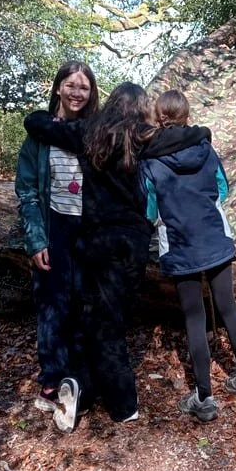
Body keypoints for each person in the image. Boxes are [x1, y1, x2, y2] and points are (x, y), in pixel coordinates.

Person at [23, 82, 211, 427]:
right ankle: (124, 406)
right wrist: (201, 131)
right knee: (110, 324)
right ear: (142, 109)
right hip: (129, 243)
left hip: (91, 241)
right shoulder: (145, 135)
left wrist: (42, 115)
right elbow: (188, 137)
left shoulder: (87, 131)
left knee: (89, 318)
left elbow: (37, 123)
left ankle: (81, 386)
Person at [140, 89, 236, 423]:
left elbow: (150, 208)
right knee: (229, 308)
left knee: (195, 319)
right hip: (216, 240)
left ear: (158, 118)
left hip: (180, 246)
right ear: (187, 115)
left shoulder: (150, 160)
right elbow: (222, 188)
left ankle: (204, 399)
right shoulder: (205, 149)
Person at [14, 60, 99, 434]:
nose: (77, 92)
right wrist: (35, 239)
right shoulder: (39, 135)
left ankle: (77, 383)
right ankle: (52, 382)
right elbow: (27, 192)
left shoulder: (95, 132)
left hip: (90, 231)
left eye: (84, 86)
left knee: (84, 304)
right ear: (58, 88)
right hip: (54, 227)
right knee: (52, 304)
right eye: (71, 85)